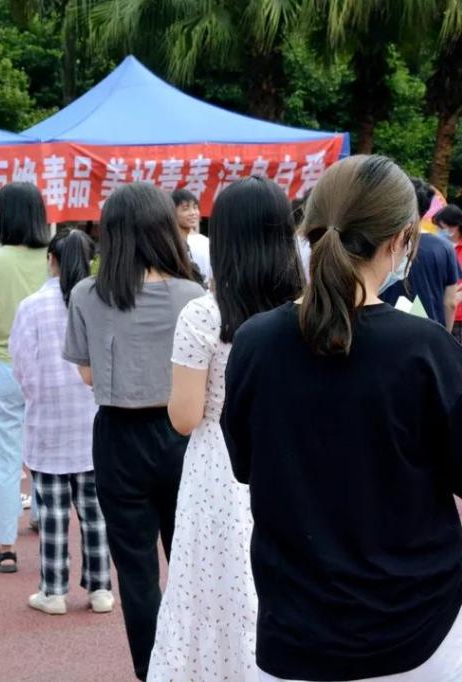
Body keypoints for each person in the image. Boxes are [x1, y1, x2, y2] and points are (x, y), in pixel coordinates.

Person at [222, 155, 462, 681]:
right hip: (418, 627)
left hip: (295, 629)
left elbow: (244, 464)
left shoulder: (255, 343)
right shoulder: (427, 349)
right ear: (402, 239)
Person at [149, 177, 303, 681]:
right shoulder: (308, 309)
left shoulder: (203, 314)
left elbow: (185, 417)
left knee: (216, 591)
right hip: (296, 456)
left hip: (220, 465)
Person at [64, 182, 204, 681]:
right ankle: (197, 666)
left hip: (117, 438)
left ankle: (152, 671)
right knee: (189, 563)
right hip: (181, 434)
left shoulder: (86, 294)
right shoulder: (193, 295)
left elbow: (86, 374)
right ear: (164, 228)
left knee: (137, 572)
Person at [10, 228, 114, 616]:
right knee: (96, 513)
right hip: (93, 419)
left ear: (50, 260)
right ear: (90, 260)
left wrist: (37, 396)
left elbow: (21, 365)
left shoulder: (32, 306)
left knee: (53, 514)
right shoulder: (103, 300)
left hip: (48, 422)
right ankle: (100, 588)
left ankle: (53, 592)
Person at [0, 182, 49, 573]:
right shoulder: (53, 256)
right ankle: (44, 517)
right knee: (48, 453)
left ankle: (6, 545)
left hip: (4, 361)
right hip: (52, 366)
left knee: (4, 458)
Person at [378, 178, 459, 328]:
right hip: (430, 331)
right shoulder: (445, 248)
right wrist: (445, 336)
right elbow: (450, 302)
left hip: (384, 328)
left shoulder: (382, 243)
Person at [433, 204, 462, 342]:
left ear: (455, 226)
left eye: (442, 227)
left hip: (458, 317)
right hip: (437, 312)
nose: (438, 230)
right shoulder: (435, 247)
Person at [173, 189, 210, 283]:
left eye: (195, 207)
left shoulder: (205, 241)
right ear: (172, 213)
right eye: (185, 209)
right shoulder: (170, 244)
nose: (193, 213)